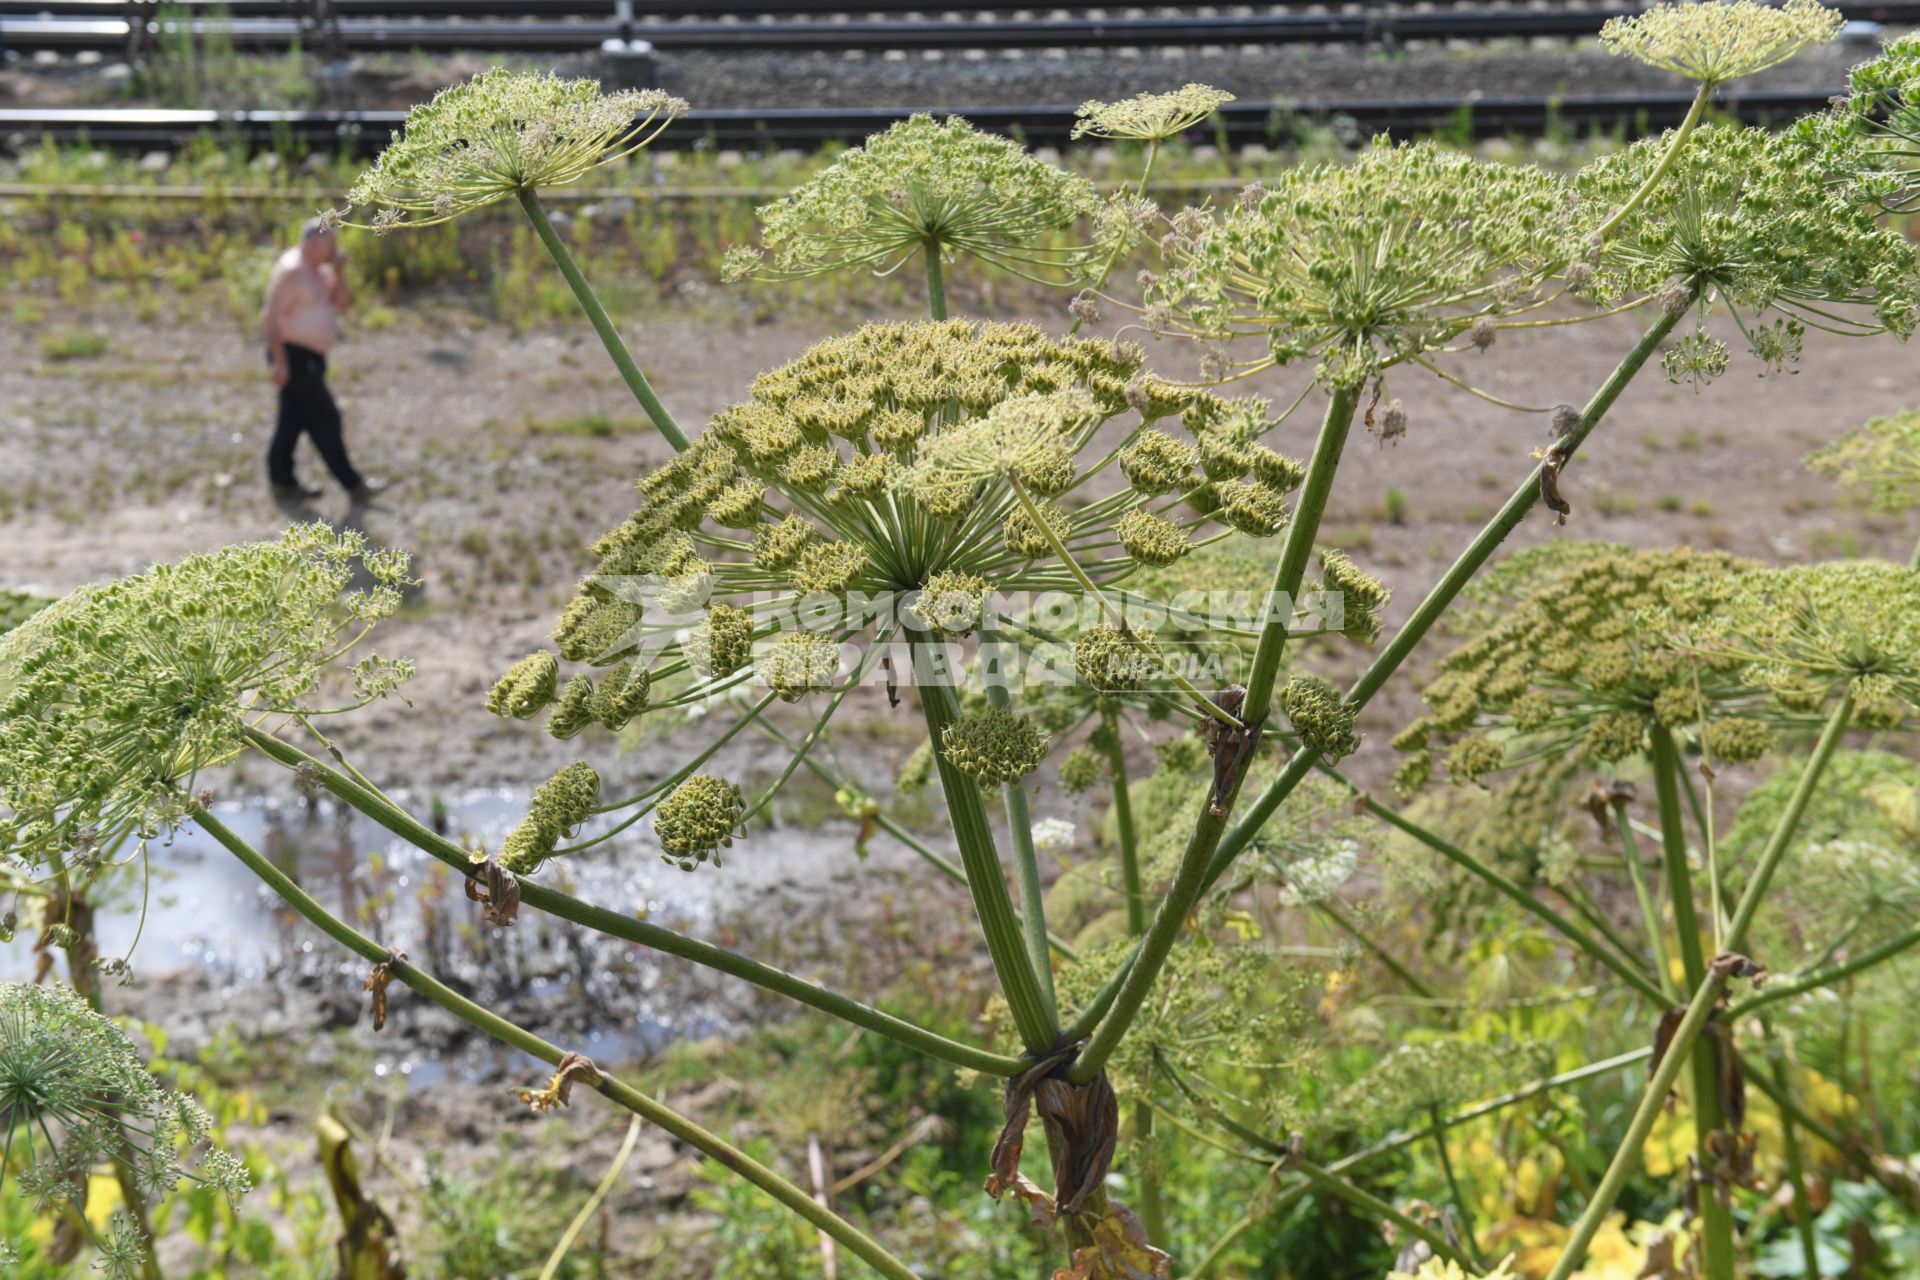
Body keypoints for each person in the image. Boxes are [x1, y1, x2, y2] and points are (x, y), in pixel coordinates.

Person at [261, 218, 384, 502]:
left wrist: (340, 271)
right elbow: (269, 317)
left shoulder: (318, 271)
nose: (335, 250)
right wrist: (280, 362)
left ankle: (282, 481)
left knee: (291, 421)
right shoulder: (292, 271)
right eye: (331, 245)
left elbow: (341, 303)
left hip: (311, 357)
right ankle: (352, 484)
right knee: (326, 416)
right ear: (314, 244)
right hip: (294, 355)